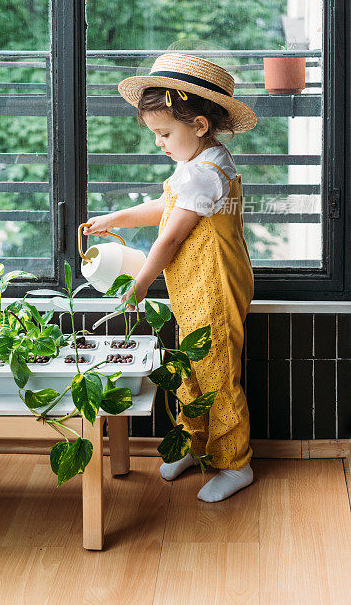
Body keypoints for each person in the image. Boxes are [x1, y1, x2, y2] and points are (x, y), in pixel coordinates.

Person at [84, 52, 257, 502]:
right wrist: (117, 218)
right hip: (194, 288)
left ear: (199, 125)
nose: (159, 143)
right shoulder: (198, 163)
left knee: (216, 371)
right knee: (192, 369)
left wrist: (139, 284)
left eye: (164, 134)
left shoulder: (205, 173)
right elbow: (167, 208)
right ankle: (196, 445)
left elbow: (170, 240)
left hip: (215, 288)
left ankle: (235, 463)